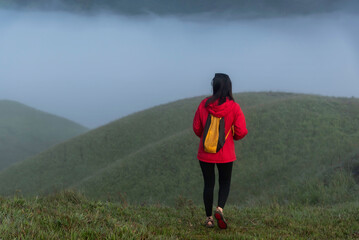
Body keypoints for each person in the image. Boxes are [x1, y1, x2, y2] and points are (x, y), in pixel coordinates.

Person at [193, 73, 248, 229]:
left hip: (205, 153)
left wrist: (206, 137)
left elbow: (197, 128)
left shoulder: (203, 104)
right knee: (225, 182)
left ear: (214, 86)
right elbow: (241, 130)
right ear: (229, 88)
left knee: (208, 184)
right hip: (226, 153)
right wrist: (232, 138)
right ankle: (219, 209)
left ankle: (209, 219)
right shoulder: (234, 107)